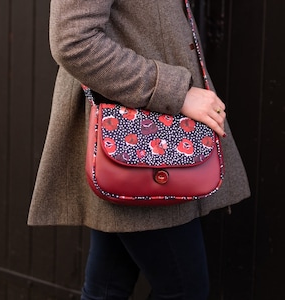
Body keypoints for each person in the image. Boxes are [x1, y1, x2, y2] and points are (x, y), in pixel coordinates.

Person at [28, 0, 250, 299]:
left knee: (107, 288)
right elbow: (73, 41)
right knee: (184, 291)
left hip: (143, 144)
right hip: (140, 146)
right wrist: (177, 92)